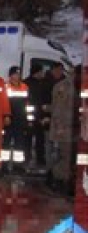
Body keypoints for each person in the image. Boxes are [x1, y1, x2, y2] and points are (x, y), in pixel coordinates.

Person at [47, 64, 75, 195]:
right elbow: (58, 109)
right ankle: (58, 180)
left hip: (73, 128)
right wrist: (59, 127)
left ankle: (64, 181)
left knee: (70, 157)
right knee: (65, 156)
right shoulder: (63, 87)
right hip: (64, 128)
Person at [2, 66, 29, 172]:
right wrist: (5, 116)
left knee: (19, 143)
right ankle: (4, 165)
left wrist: (28, 119)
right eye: (15, 74)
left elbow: (28, 104)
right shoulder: (6, 87)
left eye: (18, 74)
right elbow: (3, 104)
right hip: (9, 119)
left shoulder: (25, 87)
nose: (17, 76)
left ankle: (18, 166)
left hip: (21, 119)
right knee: (6, 143)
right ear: (10, 75)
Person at [24, 65, 50, 167]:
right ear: (37, 72)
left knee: (35, 139)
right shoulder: (34, 84)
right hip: (35, 116)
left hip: (34, 117)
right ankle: (37, 158)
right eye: (41, 72)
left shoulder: (27, 83)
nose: (43, 74)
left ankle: (29, 157)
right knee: (36, 139)